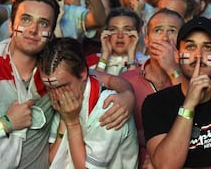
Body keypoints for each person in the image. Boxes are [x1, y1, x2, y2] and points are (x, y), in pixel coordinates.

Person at [0, 0, 135, 168]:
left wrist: (128, 95)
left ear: (50, 33)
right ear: (10, 26)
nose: (33, 29)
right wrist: (6, 123)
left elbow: (100, 78)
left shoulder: (54, 72)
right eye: (25, 19)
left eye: (43, 23)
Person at [40, 37, 138, 168]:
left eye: (63, 86)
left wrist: (72, 123)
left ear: (82, 73)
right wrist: (64, 120)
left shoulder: (110, 107)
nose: (57, 95)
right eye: (50, 88)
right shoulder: (63, 98)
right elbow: (53, 159)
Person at [142, 17, 211, 168]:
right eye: (190, 47)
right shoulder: (156, 104)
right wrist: (188, 105)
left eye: (208, 47)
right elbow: (166, 165)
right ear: (176, 55)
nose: (198, 55)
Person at [120, 8, 185, 168]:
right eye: (158, 30)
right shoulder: (127, 80)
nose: (165, 38)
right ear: (147, 40)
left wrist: (172, 70)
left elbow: (194, 122)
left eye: (172, 31)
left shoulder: (191, 80)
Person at [94, 7, 147, 75]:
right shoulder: (93, 60)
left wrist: (131, 55)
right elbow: (95, 83)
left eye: (127, 30)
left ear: (138, 34)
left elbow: (134, 84)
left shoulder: (146, 64)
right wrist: (105, 55)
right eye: (113, 30)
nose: (120, 36)